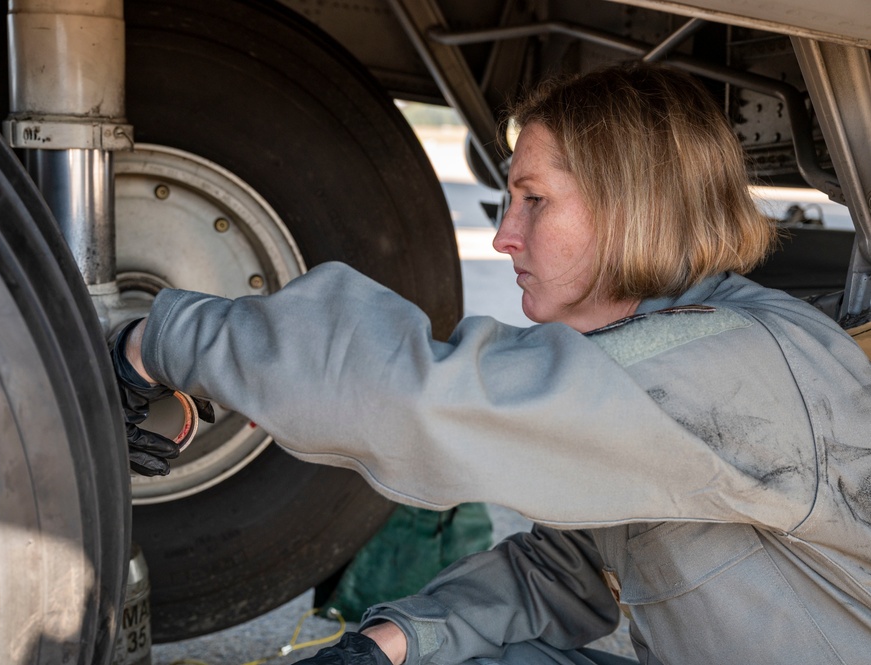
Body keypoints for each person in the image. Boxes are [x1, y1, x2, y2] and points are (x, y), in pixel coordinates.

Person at [111, 64, 871, 664]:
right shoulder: (692, 353)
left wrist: (159, 339)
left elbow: (423, 401)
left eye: (533, 200)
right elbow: (567, 568)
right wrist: (390, 645)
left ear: (629, 207)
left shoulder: (726, 364)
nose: (505, 236)